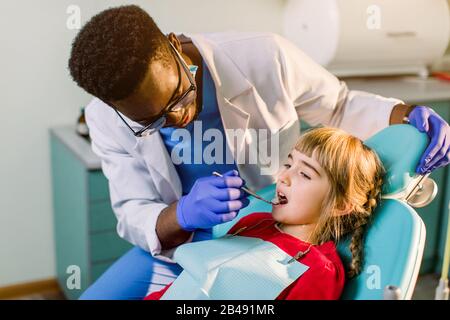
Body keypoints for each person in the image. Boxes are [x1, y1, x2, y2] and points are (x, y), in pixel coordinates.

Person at [68, 5, 450, 299]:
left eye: (179, 98)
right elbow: (133, 211)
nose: (179, 119)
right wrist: (181, 214)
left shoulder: (264, 56)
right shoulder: (104, 118)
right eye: (154, 122)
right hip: (179, 247)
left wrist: (404, 115)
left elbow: (339, 105)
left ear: (174, 44)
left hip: (261, 240)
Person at [144, 127, 384, 300]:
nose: (283, 176)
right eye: (289, 164)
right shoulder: (253, 222)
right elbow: (192, 281)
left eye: (305, 174)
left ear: (340, 205)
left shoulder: (318, 271)